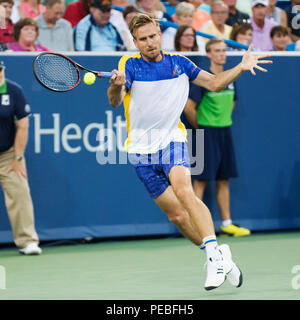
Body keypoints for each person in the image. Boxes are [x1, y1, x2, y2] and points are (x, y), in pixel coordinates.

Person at [107, 13, 272, 290]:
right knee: (177, 217)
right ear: (135, 42)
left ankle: (213, 260)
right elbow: (114, 102)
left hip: (173, 140)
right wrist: (115, 85)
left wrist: (241, 67)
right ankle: (219, 255)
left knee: (185, 191)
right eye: (143, 39)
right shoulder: (129, 65)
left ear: (160, 34)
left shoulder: (180, 63)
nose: (149, 42)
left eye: (153, 36)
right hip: (141, 151)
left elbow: (215, 83)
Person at [184, 38, 251, 237]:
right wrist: (202, 127)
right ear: (209, 54)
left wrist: (222, 121)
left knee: (224, 178)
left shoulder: (229, 78)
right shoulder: (203, 79)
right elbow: (188, 107)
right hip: (207, 133)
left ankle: (227, 223)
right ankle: (195, 225)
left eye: (224, 50)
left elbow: (231, 104)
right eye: (217, 51)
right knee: (201, 180)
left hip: (225, 132)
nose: (222, 54)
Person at [0, 60, 42, 255]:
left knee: (20, 192)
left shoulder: (14, 90)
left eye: (0, 70)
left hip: (8, 155)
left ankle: (27, 241)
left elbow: (23, 126)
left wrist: (17, 159)